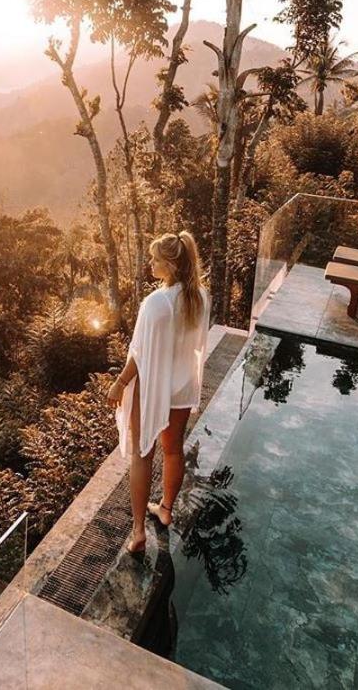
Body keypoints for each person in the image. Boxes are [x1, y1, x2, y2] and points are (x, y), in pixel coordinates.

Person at [106, 231, 210, 555]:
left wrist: (120, 382)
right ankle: (165, 509)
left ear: (171, 265)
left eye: (155, 259)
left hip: (153, 385)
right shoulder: (200, 297)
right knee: (173, 449)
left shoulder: (156, 303)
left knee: (143, 454)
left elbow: (138, 353)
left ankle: (138, 532)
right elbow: (196, 345)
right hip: (182, 385)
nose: (150, 263)